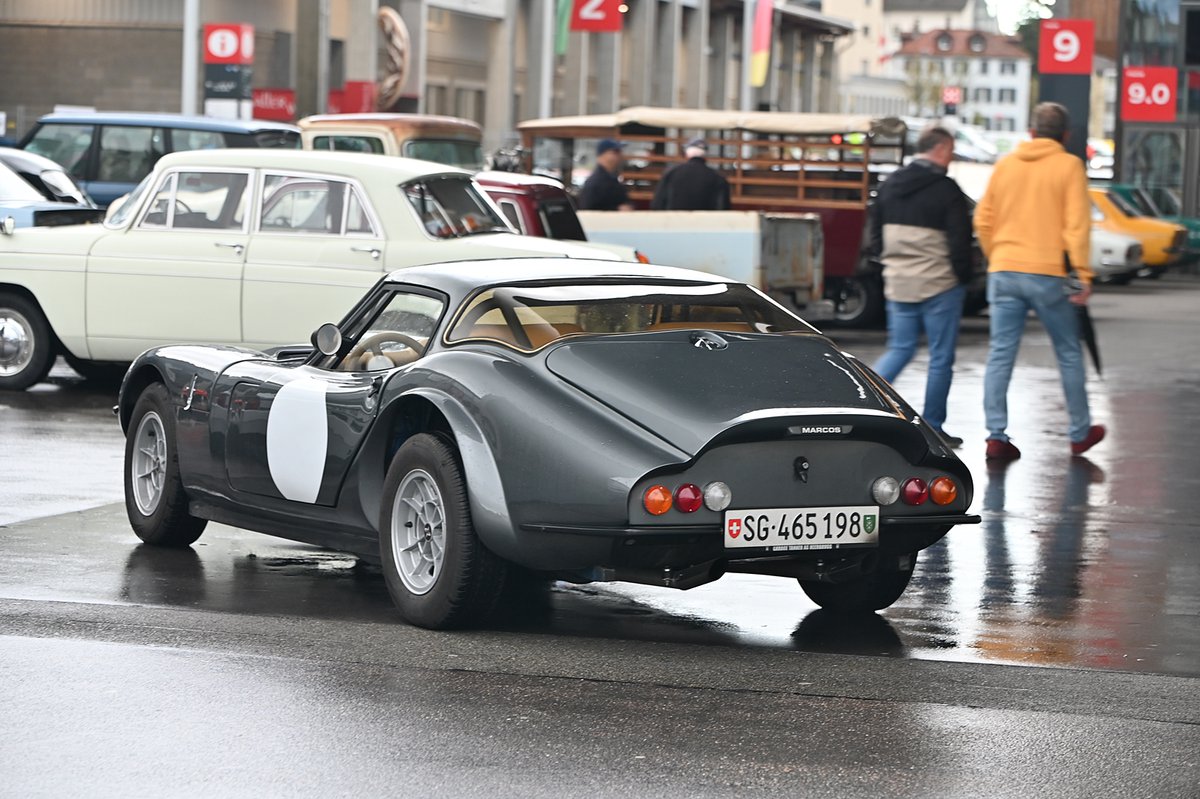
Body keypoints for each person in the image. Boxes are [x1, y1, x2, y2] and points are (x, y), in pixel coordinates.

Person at [974, 102, 1105, 460]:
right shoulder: (1069, 166)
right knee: (1067, 352)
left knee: (1001, 353)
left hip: (1003, 270)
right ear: (1065, 135)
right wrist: (1083, 275)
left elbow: (983, 220)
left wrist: (997, 255)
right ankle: (1079, 432)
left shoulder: (1005, 166)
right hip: (1047, 272)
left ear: (1030, 132)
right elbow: (1077, 226)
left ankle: (996, 436)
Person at [869, 125, 973, 448]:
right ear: (940, 149)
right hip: (939, 283)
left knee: (900, 348)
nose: (952, 156)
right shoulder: (947, 190)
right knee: (940, 357)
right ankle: (934, 427)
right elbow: (959, 242)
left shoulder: (890, 185)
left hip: (899, 280)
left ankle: (867, 406)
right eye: (951, 150)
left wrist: (888, 262)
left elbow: (874, 233)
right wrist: (964, 276)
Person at [650, 138, 730, 210]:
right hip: (704, 223)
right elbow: (723, 207)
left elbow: (658, 203)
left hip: (675, 222)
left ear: (686, 154)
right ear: (705, 155)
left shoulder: (671, 173)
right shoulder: (718, 177)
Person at [577, 139, 634, 211]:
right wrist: (617, 209)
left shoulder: (612, 178)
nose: (620, 156)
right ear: (602, 155)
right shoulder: (596, 182)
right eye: (615, 152)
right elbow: (588, 209)